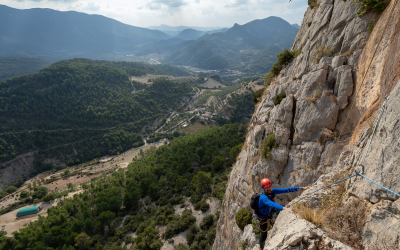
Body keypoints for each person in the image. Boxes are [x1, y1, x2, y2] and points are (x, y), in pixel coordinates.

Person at [256, 178, 310, 250]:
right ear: (263, 188)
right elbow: (272, 204)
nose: (269, 189)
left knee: (278, 214)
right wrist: (284, 208)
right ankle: (261, 248)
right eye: (266, 188)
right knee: (263, 235)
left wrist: (302, 188)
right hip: (262, 217)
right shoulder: (263, 197)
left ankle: (275, 225)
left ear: (271, 185)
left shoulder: (273, 191)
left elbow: (287, 189)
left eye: (269, 186)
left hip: (270, 211)